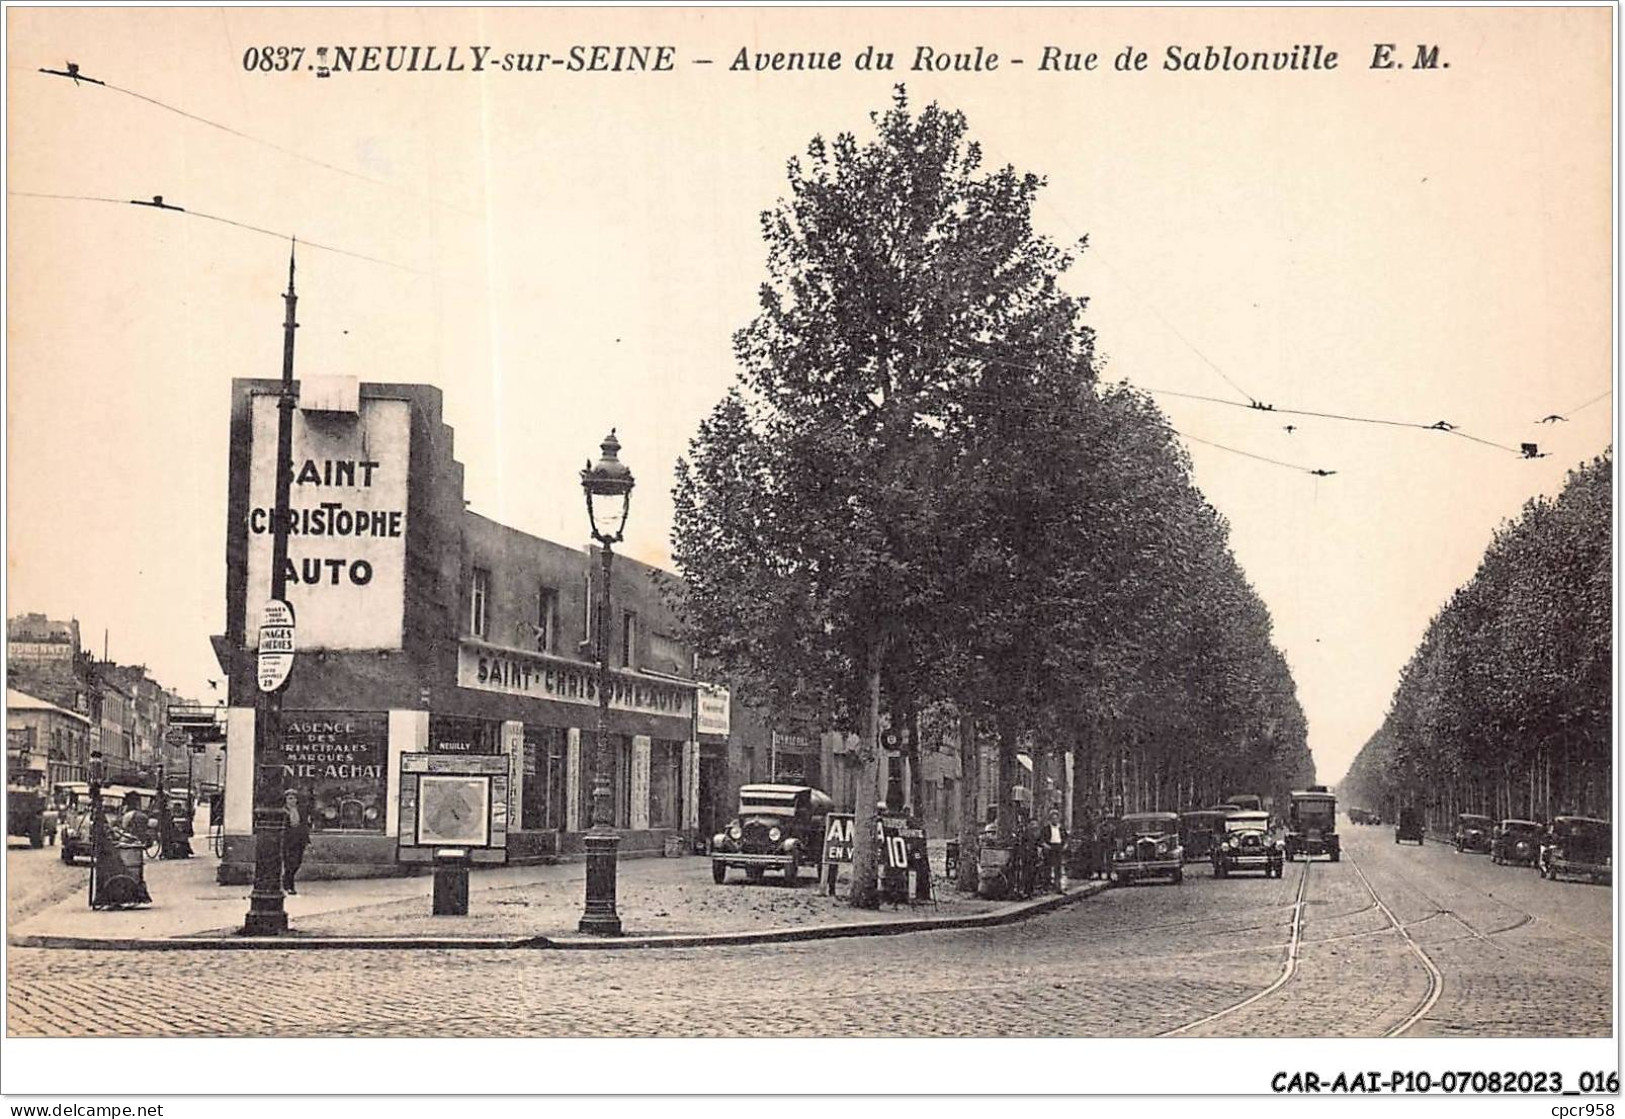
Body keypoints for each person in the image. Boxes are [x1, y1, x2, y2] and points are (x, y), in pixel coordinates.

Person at [281, 790, 311, 894]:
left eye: (294, 798)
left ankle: (286, 880)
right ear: (285, 800)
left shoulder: (300, 810)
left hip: (299, 840)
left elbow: (304, 826)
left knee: (297, 862)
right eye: (290, 798)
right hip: (288, 841)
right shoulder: (283, 811)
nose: (292, 801)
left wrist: (307, 840)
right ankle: (289, 885)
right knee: (289, 863)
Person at [1041, 808, 1068, 892]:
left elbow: (1066, 837)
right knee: (1048, 867)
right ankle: (1046, 886)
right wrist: (1045, 845)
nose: (1055, 820)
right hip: (1050, 847)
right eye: (1053, 818)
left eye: (1056, 818)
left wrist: (1065, 845)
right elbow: (1041, 839)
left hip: (1058, 847)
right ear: (1050, 819)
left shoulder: (1061, 828)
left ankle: (1058, 886)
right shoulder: (1046, 828)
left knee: (1058, 868)